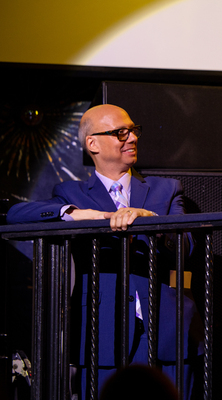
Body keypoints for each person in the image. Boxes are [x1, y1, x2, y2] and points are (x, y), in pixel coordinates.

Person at [7, 104, 201, 399]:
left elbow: (186, 246)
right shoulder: (70, 193)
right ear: (92, 143)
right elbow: (16, 214)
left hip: (168, 332)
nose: (132, 138)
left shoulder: (166, 189)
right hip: (102, 333)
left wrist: (154, 222)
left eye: (133, 130)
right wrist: (76, 213)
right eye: (120, 132)